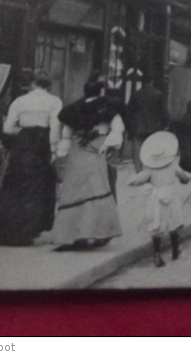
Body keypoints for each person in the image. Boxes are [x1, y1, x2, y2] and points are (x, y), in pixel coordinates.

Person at [0, 71, 61, 247]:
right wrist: (53, 150)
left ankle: (6, 230)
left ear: (33, 83)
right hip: (42, 143)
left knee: (15, 184)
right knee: (37, 186)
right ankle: (29, 230)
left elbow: (8, 127)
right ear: (48, 85)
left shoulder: (19, 101)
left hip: (23, 144)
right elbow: (55, 128)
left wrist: (23, 133)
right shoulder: (54, 101)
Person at [51, 74, 124, 250]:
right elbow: (117, 129)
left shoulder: (74, 109)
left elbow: (66, 134)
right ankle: (98, 232)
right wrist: (108, 145)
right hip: (97, 148)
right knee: (97, 189)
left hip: (76, 150)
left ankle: (72, 235)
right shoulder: (108, 107)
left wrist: (60, 152)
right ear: (101, 90)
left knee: (73, 191)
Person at [129, 131, 191, 267]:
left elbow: (139, 179)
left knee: (156, 226)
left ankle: (157, 255)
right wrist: (188, 178)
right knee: (173, 223)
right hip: (171, 196)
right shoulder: (173, 166)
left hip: (156, 198)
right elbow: (184, 178)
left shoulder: (150, 169)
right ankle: (175, 251)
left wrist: (133, 181)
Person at [126, 74, 169, 172]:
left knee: (138, 151)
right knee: (152, 150)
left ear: (142, 83)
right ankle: (150, 172)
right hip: (154, 128)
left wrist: (129, 127)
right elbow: (163, 111)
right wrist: (166, 124)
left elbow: (129, 111)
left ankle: (139, 172)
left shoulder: (136, 94)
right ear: (152, 81)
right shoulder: (158, 94)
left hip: (138, 127)